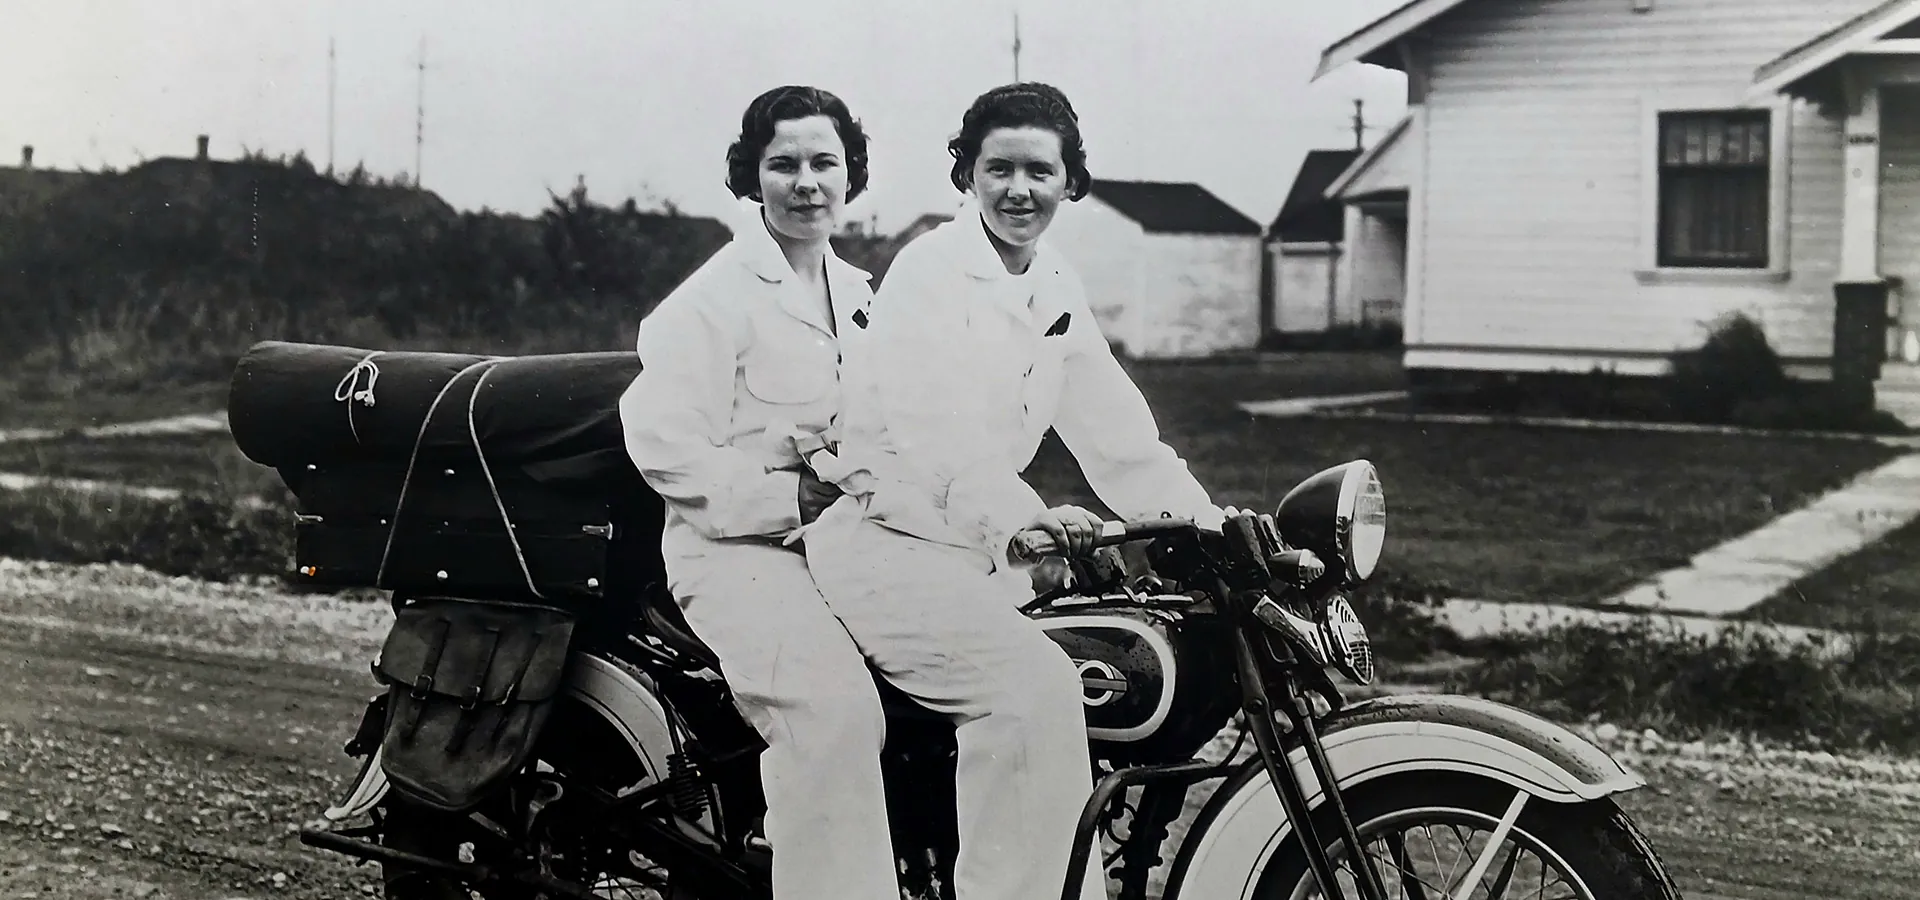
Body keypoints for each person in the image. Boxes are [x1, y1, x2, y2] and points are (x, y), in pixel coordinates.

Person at [796, 82, 1228, 900]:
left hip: (974, 558)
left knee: (1089, 678)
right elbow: (939, 439)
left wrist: (1209, 523)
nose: (1019, 190)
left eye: (1040, 170)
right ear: (967, 174)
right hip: (889, 549)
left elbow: (1118, 435)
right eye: (999, 169)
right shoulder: (930, 270)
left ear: (1072, 181)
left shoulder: (1055, 279)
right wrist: (1028, 523)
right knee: (1031, 694)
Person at [616, 85, 903, 900]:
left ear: (851, 175)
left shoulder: (861, 295)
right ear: (753, 176)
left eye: (825, 162)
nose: (807, 182)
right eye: (785, 164)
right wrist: (792, 499)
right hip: (735, 554)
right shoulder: (710, 301)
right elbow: (666, 447)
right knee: (835, 715)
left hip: (846, 543)